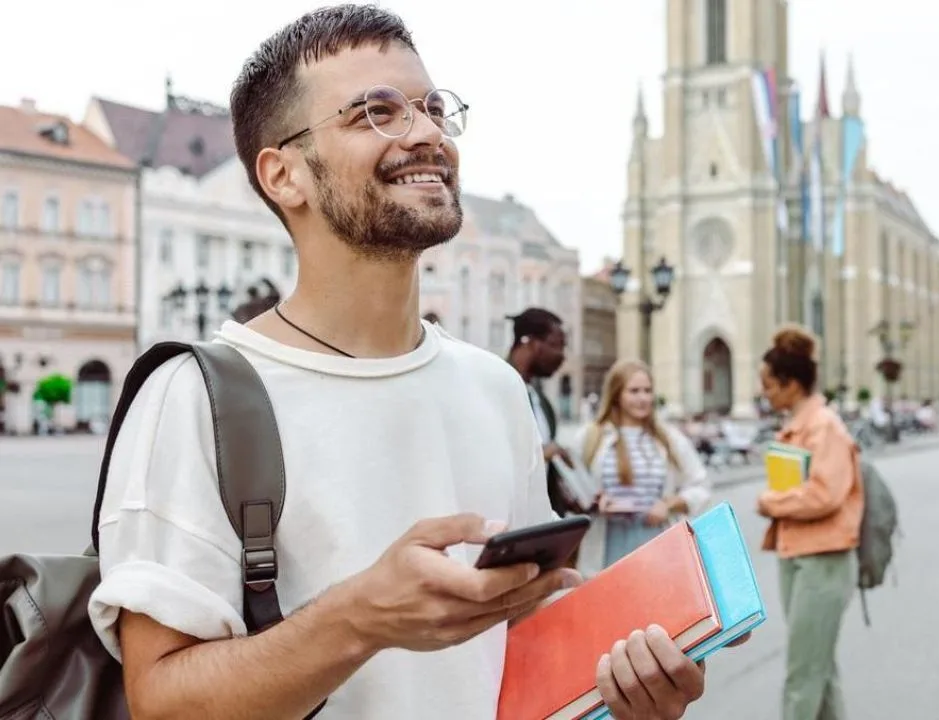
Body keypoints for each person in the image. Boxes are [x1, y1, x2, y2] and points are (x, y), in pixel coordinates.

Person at [87, 6, 719, 718]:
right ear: (283, 174)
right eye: (374, 114)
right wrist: (357, 618)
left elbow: (521, 648)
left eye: (433, 109)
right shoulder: (196, 397)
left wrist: (621, 691)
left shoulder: (494, 388)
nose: (426, 135)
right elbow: (161, 702)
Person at [755, 325, 863, 720]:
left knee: (803, 675)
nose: (764, 393)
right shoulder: (801, 425)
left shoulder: (824, 427)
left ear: (791, 384)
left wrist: (772, 502)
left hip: (823, 559)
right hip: (800, 555)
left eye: (768, 384)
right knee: (819, 669)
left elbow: (824, 494)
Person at [566, 359, 711, 576]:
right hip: (606, 545)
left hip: (658, 543)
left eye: (647, 391)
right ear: (617, 394)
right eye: (634, 391)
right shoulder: (590, 437)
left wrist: (668, 504)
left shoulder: (669, 438)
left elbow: (700, 485)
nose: (643, 398)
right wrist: (594, 502)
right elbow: (569, 488)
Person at [505, 307, 581, 518]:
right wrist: (543, 453)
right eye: (557, 346)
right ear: (531, 343)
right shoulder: (496, 389)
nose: (562, 356)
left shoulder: (541, 401)